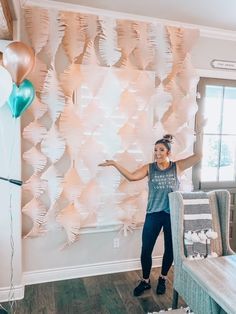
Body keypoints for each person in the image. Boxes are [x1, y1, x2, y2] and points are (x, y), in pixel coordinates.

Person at [98, 134, 202, 296]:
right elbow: (132, 177)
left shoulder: (177, 167)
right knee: (146, 249)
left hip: (171, 215)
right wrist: (115, 164)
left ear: (168, 152)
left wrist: (198, 134)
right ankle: (145, 281)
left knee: (170, 249)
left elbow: (198, 156)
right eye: (155, 150)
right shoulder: (149, 168)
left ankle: (162, 278)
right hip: (153, 214)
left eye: (161, 150)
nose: (157, 153)